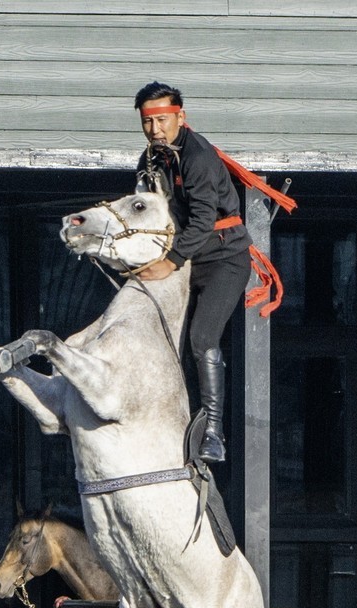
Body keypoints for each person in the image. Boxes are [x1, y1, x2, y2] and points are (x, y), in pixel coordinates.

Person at [132, 82, 253, 465]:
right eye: (148, 122)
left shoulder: (198, 156)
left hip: (224, 259)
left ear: (180, 116)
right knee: (160, 337)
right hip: (186, 258)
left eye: (162, 120)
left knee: (202, 339)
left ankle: (214, 432)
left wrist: (169, 262)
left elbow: (202, 222)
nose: (155, 129)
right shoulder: (150, 159)